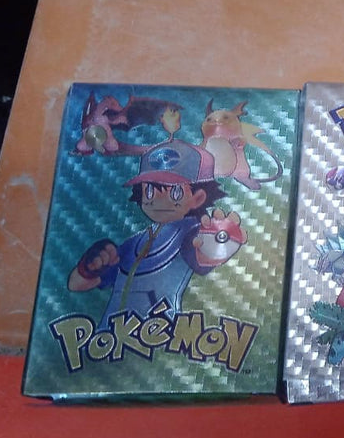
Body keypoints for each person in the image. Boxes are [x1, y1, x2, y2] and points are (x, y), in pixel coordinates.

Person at [68, 139, 243, 329]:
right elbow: (76, 284)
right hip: (111, 337)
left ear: (198, 197)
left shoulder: (190, 232)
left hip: (159, 336)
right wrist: (90, 264)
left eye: (175, 192)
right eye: (150, 191)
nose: (156, 200)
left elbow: (200, 256)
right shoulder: (135, 243)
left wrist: (220, 241)